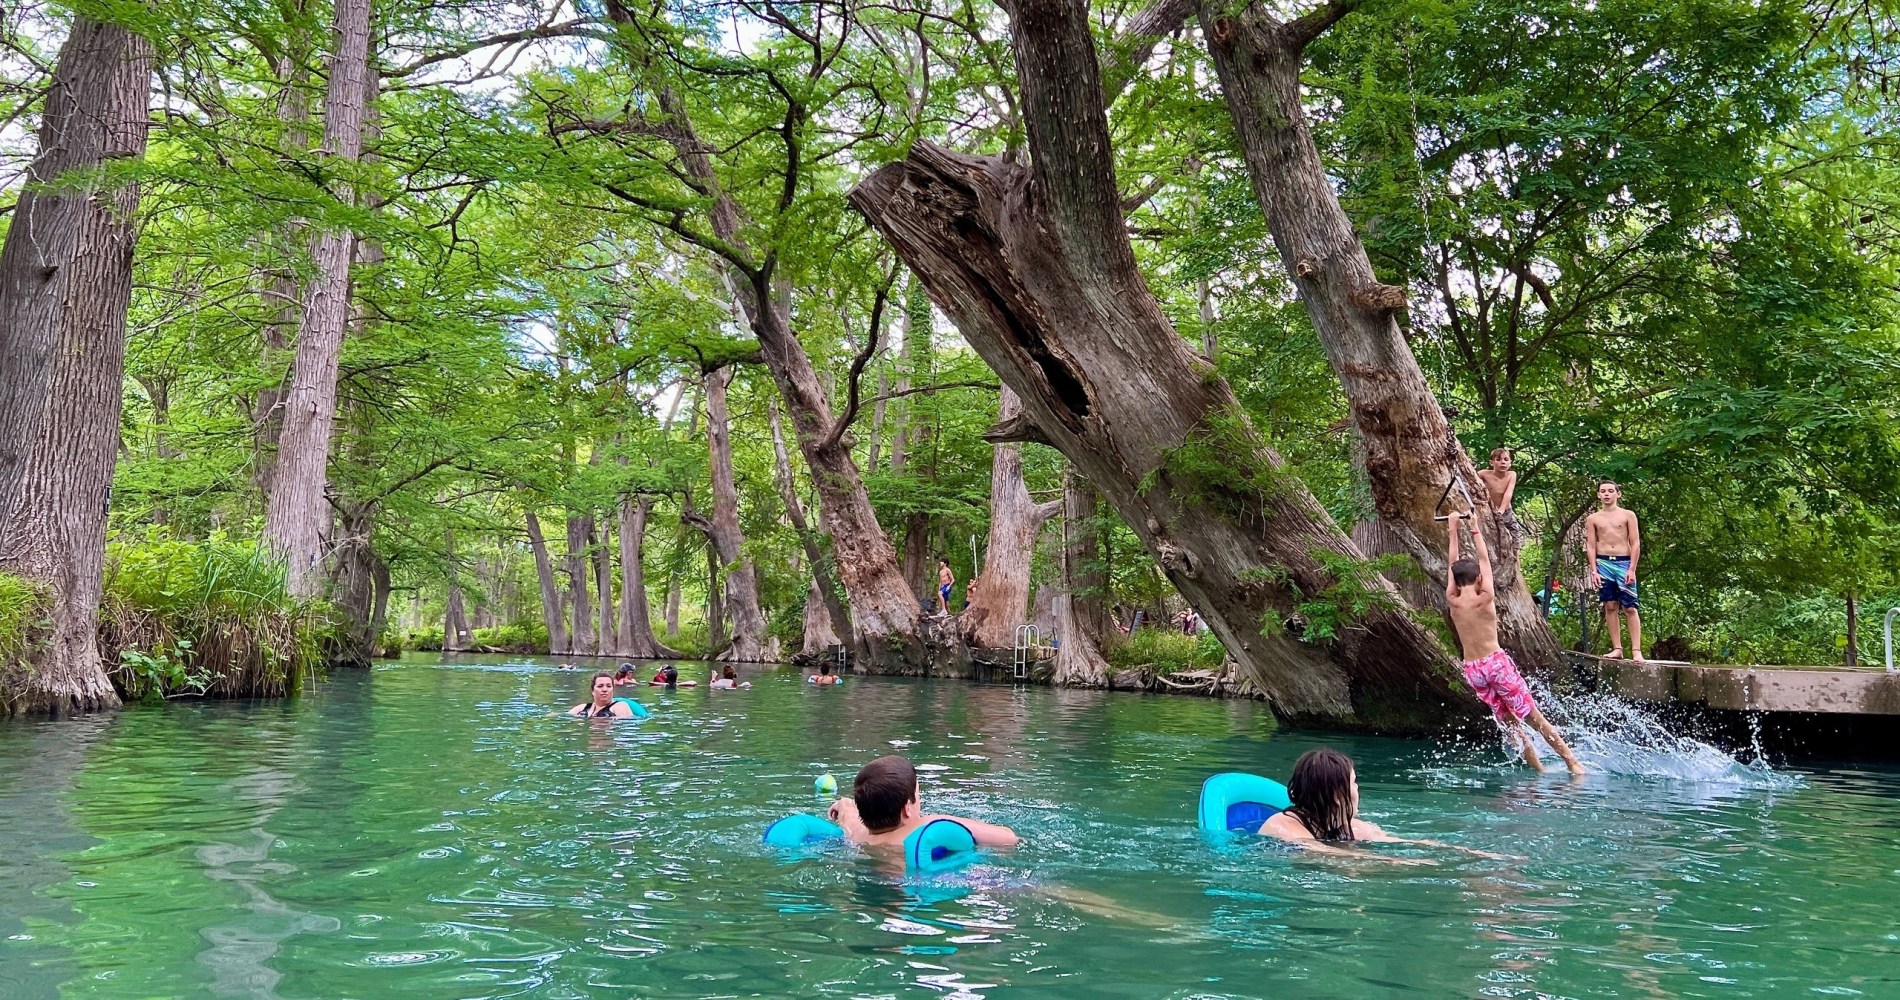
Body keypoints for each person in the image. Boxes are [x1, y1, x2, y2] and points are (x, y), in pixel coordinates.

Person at [1447, 511, 1583, 774]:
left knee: (1510, 723)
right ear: (1477, 580)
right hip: (1495, 664)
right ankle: (1572, 763)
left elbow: (1451, 565)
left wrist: (1452, 529)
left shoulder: (1453, 599)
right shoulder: (1484, 596)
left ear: (1455, 581)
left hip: (1473, 669)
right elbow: (1484, 560)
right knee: (1533, 717)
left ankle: (1539, 769)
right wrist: (1474, 528)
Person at [1260, 748, 1514, 860]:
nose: (1358, 790)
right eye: (1354, 784)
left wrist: (1467, 853)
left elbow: (1405, 843)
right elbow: (1316, 853)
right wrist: (1397, 864)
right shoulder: (1281, 827)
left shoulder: (1356, 829)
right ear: (1339, 796)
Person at [826, 755, 1019, 848]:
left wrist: (842, 804)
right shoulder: (927, 826)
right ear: (907, 808)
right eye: (918, 794)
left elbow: (847, 810)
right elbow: (1008, 838)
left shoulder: (856, 834)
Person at [1585, 481, 1643, 661]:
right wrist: (1594, 570)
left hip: (1624, 562)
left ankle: (1636, 650)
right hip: (1604, 563)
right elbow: (1591, 545)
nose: (1607, 494)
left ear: (1618, 494)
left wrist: (1632, 569)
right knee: (1610, 606)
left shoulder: (1628, 515)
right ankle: (1617, 648)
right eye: (1603, 491)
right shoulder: (1593, 518)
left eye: (1610, 491)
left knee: (1630, 607)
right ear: (1598, 495)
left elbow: (1635, 542)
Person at [1476, 447, 1522, 538]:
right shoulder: (1483, 474)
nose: (1503, 462)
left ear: (1510, 463)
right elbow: (1469, 479)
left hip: (1506, 512)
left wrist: (1501, 510)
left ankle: (1515, 551)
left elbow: (1508, 493)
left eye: (1506, 459)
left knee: (1515, 540)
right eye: (1498, 459)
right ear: (1491, 462)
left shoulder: (1511, 475)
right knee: (1489, 537)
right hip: (1489, 511)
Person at [567, 673, 638, 718]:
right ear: (592, 691)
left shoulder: (619, 706)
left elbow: (626, 726)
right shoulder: (583, 708)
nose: (605, 689)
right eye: (600, 686)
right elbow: (563, 716)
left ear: (613, 690)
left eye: (609, 686)